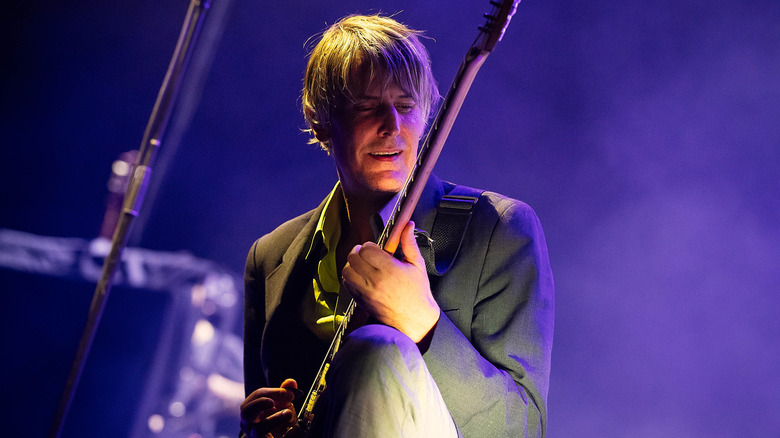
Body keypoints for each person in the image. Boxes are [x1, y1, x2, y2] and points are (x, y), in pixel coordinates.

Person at [240, 14, 554, 438]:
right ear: (320, 121)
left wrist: (423, 324)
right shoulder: (271, 256)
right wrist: (256, 429)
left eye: (405, 106)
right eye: (366, 107)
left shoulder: (500, 229)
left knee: (377, 348)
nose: (392, 126)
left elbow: (522, 428)